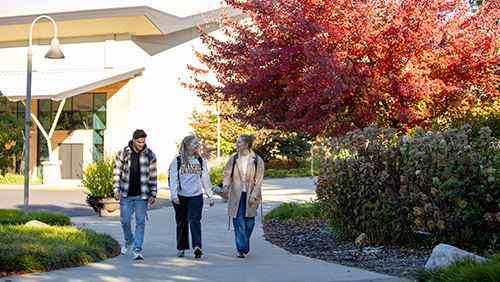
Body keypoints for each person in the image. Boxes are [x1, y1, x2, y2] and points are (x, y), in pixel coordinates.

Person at [113, 129, 157, 260]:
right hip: (126, 193)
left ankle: (137, 249)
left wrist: (153, 193)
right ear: (133, 140)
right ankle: (128, 239)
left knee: (140, 222)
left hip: (142, 195)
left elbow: (153, 175)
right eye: (138, 142)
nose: (141, 144)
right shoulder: (122, 153)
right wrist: (116, 190)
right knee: (125, 221)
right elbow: (117, 173)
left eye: (143, 142)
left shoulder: (149, 154)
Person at [169, 135, 215, 259]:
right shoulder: (177, 161)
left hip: (196, 195)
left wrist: (210, 196)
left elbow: (205, 178)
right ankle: (181, 247)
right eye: (195, 143)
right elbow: (172, 179)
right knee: (182, 222)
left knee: (194, 220)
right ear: (188, 146)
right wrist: (174, 196)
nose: (197, 145)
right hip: (181, 196)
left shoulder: (200, 160)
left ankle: (197, 245)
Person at [222, 134, 265, 258]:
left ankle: (245, 240)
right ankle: (240, 248)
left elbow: (259, 181)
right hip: (236, 195)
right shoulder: (234, 159)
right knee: (238, 221)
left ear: (246, 144)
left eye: (239, 142)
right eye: (237, 142)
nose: (237, 144)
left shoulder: (257, 160)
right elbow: (226, 174)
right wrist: (226, 185)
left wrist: (254, 196)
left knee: (250, 224)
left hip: (250, 195)